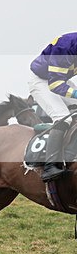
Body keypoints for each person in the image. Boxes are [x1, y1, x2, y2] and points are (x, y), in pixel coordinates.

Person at [29, 32, 77, 180]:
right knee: (63, 117)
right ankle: (50, 165)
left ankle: (70, 154)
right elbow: (55, 84)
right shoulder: (65, 47)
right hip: (43, 82)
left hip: (61, 80)